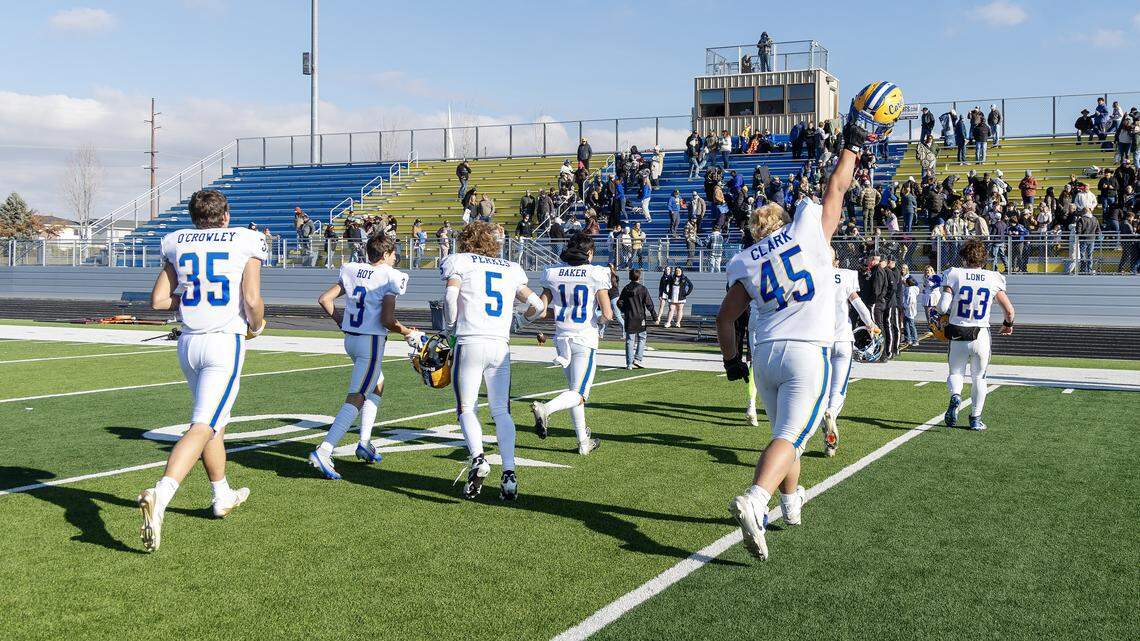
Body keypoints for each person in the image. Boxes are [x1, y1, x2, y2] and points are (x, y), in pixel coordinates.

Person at [717, 107, 873, 561]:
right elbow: (838, 187)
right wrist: (854, 144)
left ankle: (790, 502)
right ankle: (756, 499)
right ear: (785, 220)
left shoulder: (746, 261)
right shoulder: (808, 232)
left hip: (765, 356)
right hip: (808, 351)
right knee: (791, 435)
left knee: (787, 433)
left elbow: (726, 319)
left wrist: (732, 363)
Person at [136, 189, 268, 553]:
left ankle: (221, 493)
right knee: (203, 425)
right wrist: (256, 326)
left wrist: (198, 291)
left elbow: (159, 301)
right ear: (225, 215)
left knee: (215, 423)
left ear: (194, 217)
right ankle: (160, 495)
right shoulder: (246, 238)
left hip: (188, 343)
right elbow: (252, 299)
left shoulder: (176, 241)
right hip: (223, 341)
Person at [442, 221, 546, 501]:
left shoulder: (460, 261)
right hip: (500, 345)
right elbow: (538, 306)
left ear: (466, 240)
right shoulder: (510, 268)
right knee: (501, 411)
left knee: (466, 407)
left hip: (470, 341)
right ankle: (509, 473)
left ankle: (478, 458)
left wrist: (449, 327)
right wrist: (521, 322)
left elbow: (451, 296)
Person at [308, 234, 421, 479]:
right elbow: (387, 320)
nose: (395, 259)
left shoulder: (353, 269)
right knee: (357, 395)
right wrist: (407, 332)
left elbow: (324, 299)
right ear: (386, 254)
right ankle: (325, 450)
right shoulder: (390, 276)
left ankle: (364, 442)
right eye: (393, 254)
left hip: (351, 340)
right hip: (370, 343)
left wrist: (342, 322)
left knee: (377, 385)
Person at [528, 233, 612, 455]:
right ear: (590, 253)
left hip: (561, 338)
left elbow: (540, 309)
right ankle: (546, 409)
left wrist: (522, 318)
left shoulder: (553, 273)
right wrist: (599, 323)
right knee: (579, 393)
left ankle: (583, 441)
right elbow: (607, 313)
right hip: (584, 338)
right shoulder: (596, 273)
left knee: (574, 393)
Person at [935, 239, 1016, 430]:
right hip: (980, 334)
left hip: (957, 333)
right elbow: (1010, 311)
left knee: (956, 372)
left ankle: (956, 395)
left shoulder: (954, 273)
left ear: (964, 257)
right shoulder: (993, 277)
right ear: (984, 258)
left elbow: (942, 307)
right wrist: (1008, 324)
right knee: (979, 377)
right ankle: (975, 419)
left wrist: (941, 314)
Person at [821, 249, 878, 458]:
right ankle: (832, 414)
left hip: (819, 341)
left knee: (820, 392)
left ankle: (827, 426)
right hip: (843, 340)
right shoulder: (845, 275)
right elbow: (857, 303)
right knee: (838, 392)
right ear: (836, 260)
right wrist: (870, 323)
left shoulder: (812, 274)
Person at [618, 268, 655, 369]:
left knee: (630, 340)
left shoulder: (626, 289)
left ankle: (629, 363)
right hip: (640, 317)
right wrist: (654, 316)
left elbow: (619, 302)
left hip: (629, 316)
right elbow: (649, 304)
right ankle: (638, 359)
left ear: (630, 276)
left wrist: (625, 310)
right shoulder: (643, 289)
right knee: (642, 337)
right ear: (639, 276)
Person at [902, 275, 920, 347]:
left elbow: (910, 301)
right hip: (908, 310)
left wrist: (905, 306)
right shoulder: (908, 289)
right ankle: (908, 339)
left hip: (910, 310)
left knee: (911, 325)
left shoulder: (910, 290)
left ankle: (915, 340)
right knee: (906, 324)